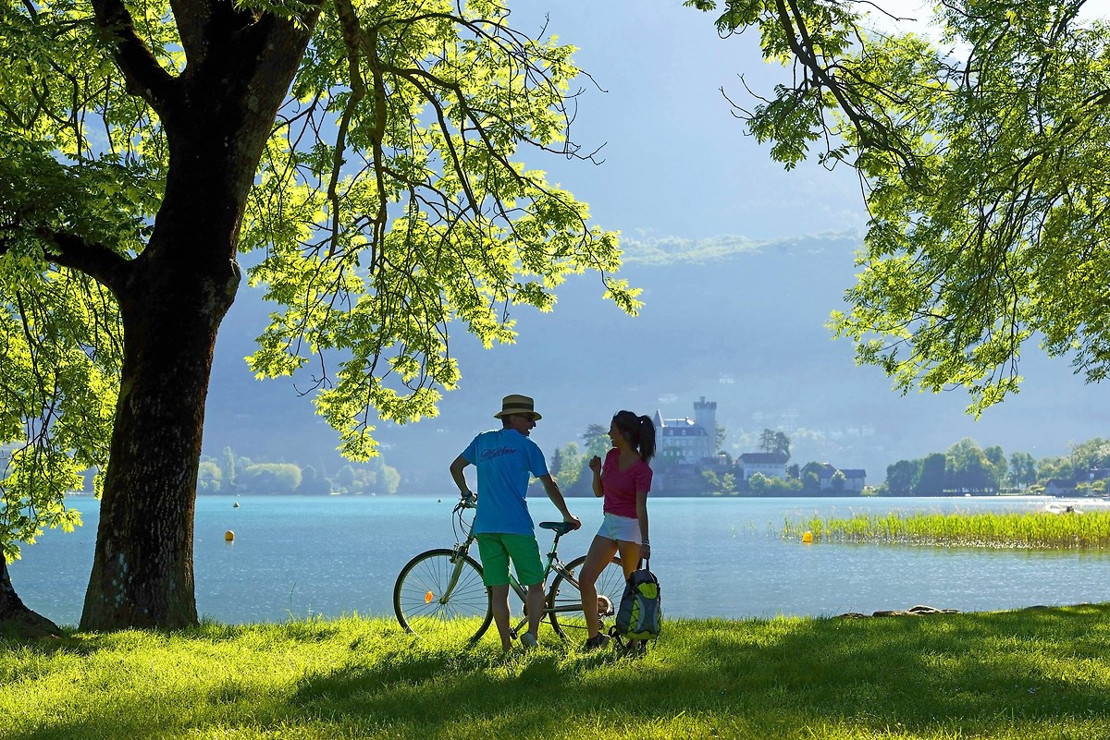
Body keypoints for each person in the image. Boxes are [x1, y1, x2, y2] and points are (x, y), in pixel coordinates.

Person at [449, 393, 581, 650]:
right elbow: (550, 485)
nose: (533, 424)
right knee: (535, 584)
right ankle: (532, 635)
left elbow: (455, 467)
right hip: (516, 527)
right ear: (513, 418)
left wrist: (466, 494)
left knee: (499, 591)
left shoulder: (482, 441)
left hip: (485, 527)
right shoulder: (528, 447)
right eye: (529, 419)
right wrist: (568, 516)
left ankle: (506, 648)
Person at [580, 410, 656, 650]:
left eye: (612, 429)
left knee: (632, 586)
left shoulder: (642, 470)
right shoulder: (611, 456)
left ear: (624, 433)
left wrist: (645, 542)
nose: (609, 433)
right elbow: (599, 492)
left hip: (630, 527)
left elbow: (641, 507)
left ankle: (635, 642)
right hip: (609, 523)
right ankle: (595, 638)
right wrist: (595, 471)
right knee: (585, 579)